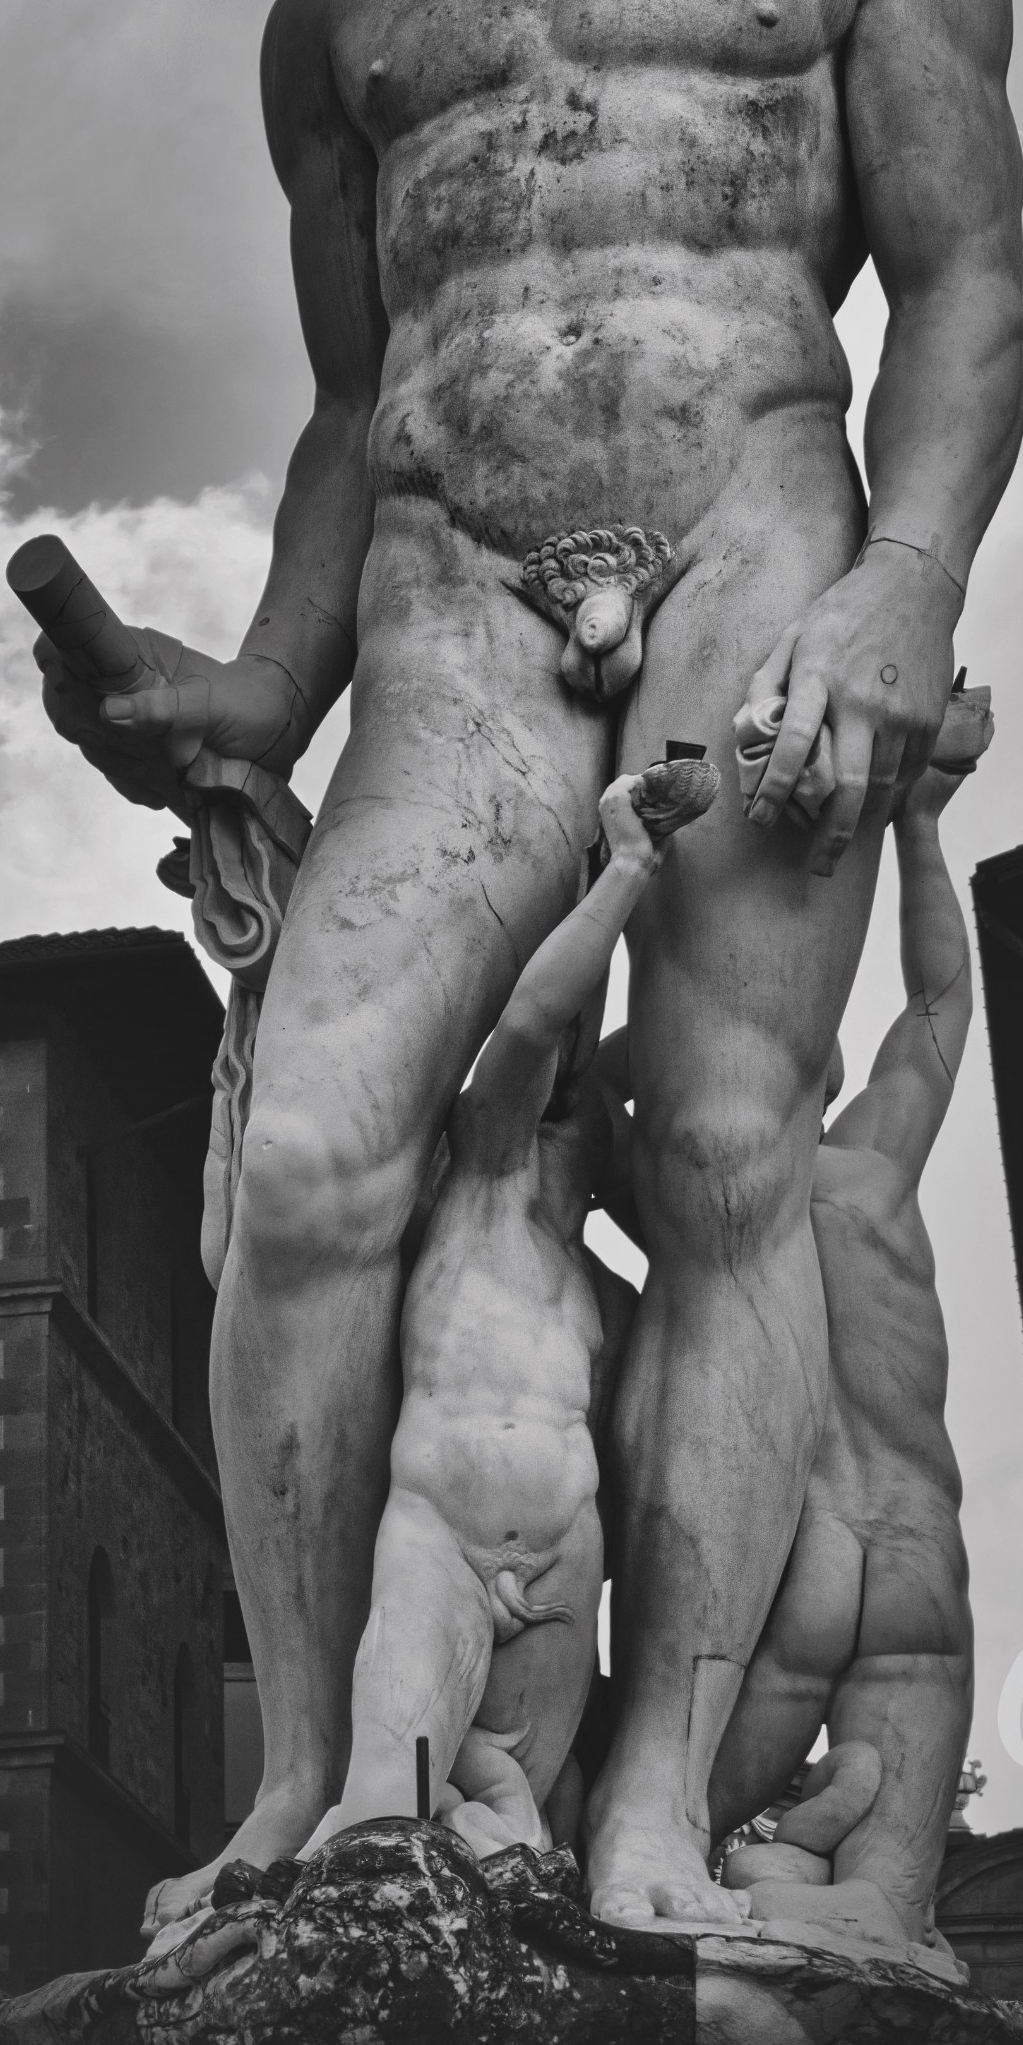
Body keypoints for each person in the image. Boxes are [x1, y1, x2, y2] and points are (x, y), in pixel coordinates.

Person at [34, 0, 1023, 1929]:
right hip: (462, 592)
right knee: (325, 1146)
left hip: (755, 540)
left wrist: (912, 578)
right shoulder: (356, 4)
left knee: (720, 1144)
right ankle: (303, 1796)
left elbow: (962, 290)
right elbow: (361, 405)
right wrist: (245, 687)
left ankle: (664, 1812)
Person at [307, 765, 709, 1864]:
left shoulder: (610, 1300)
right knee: (388, 1807)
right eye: (577, 1103)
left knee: (536, 1849)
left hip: (565, 1570)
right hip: (438, 1542)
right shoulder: (479, 1177)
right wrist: (626, 866)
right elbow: (533, 1024)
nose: (582, 1114)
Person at [707, 683, 992, 1961]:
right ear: (829, 1071)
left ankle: (736, 1872)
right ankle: (845, 1888)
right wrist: (919, 818)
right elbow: (937, 1007)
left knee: (664, 1834)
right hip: (919, 1535)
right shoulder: (870, 1166)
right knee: (894, 1903)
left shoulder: (711, 1199)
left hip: (799, 1549)